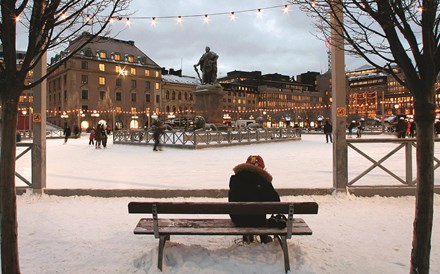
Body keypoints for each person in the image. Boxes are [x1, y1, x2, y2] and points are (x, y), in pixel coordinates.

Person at [228, 155, 280, 244]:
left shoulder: (234, 179)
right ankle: (263, 236)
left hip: (238, 220)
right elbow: (276, 201)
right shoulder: (263, 180)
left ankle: (247, 236)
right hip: (258, 221)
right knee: (257, 211)